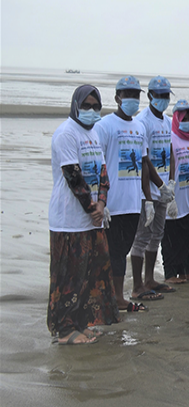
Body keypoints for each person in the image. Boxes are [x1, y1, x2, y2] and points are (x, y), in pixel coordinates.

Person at [48, 85, 121, 345]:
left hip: (92, 218)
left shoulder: (93, 134)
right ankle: (64, 330)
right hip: (69, 220)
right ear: (76, 105)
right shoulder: (66, 134)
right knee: (68, 276)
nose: (91, 110)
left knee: (88, 274)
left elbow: (102, 173)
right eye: (86, 105)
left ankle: (79, 323)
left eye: (95, 106)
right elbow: (73, 177)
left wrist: (101, 205)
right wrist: (93, 209)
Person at [95, 76, 155, 311]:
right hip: (112, 205)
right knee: (113, 253)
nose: (132, 99)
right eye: (127, 94)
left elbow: (143, 166)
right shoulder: (104, 126)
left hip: (132, 203)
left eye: (136, 94)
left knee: (123, 251)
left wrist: (148, 199)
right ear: (117, 97)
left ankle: (116, 296)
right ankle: (114, 297)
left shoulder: (140, 127)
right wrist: (100, 199)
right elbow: (97, 164)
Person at [129, 76, 176, 298]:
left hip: (164, 189)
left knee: (157, 233)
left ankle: (149, 279)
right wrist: (156, 187)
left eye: (166, 96)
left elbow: (172, 152)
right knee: (142, 235)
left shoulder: (167, 121)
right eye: (159, 96)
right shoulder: (142, 121)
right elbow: (144, 160)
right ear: (149, 96)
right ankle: (137, 285)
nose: (164, 99)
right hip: (148, 189)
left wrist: (171, 182)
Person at [161, 100, 189, 283]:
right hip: (175, 198)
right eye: (184, 118)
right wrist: (168, 198)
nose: (187, 120)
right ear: (176, 119)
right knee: (172, 237)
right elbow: (166, 168)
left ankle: (185, 272)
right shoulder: (171, 139)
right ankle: (170, 274)